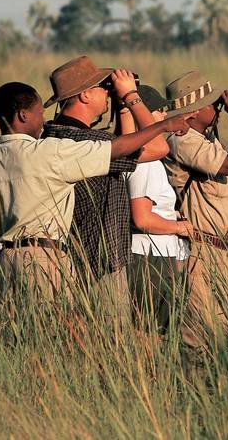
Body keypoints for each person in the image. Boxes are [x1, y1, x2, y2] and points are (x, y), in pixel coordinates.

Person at [0, 81, 192, 301]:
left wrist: (7, 263)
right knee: (55, 329)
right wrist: (159, 124)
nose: (43, 120)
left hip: (5, 260)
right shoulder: (46, 152)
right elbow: (119, 149)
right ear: (23, 116)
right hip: (44, 257)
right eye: (39, 113)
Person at [40, 55, 171, 320]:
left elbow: (121, 144)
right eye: (103, 87)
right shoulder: (87, 141)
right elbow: (158, 147)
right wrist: (132, 97)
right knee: (110, 345)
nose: (108, 93)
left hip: (64, 260)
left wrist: (122, 110)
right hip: (101, 260)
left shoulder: (52, 135)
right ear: (86, 95)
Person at [162, 71, 228, 353]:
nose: (217, 106)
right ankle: (194, 391)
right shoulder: (184, 141)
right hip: (204, 254)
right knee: (201, 337)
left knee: (226, 332)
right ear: (191, 114)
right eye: (210, 103)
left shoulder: (204, 138)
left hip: (225, 251)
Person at [121, 86, 196, 335]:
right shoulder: (146, 162)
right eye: (159, 111)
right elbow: (141, 218)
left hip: (151, 255)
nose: (164, 116)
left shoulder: (138, 155)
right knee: (151, 332)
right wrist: (179, 227)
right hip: (149, 257)